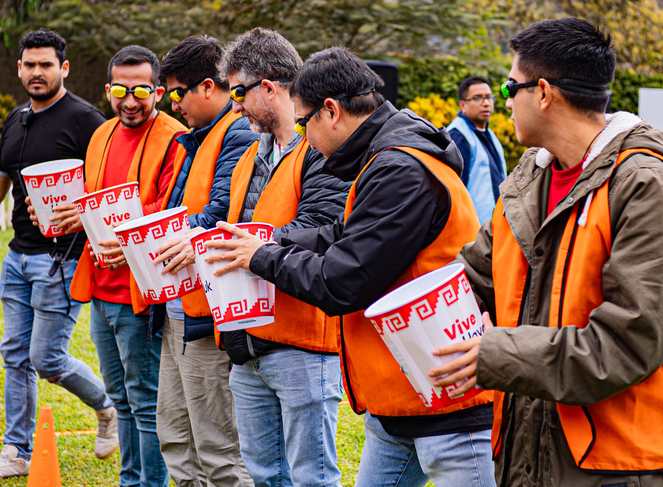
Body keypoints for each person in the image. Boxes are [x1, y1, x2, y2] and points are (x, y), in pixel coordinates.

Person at [429, 17, 663, 486]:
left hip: (630, 468)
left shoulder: (649, 186)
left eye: (509, 86)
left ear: (543, 93)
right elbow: (475, 274)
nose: (502, 101)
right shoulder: (530, 178)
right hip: (535, 455)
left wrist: (495, 353)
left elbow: (627, 342)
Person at [207, 46, 496, 487]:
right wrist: (269, 240)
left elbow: (344, 280)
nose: (304, 136)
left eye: (304, 123)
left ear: (332, 111)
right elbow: (343, 233)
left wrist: (263, 256)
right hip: (402, 391)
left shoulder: (399, 167)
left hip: (447, 397)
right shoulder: (386, 155)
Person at [165, 28, 349, 486]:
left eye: (240, 92)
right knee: (265, 475)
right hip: (246, 343)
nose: (235, 104)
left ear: (268, 86)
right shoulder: (250, 153)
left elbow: (319, 232)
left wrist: (239, 248)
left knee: (313, 478)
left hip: (303, 345)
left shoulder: (322, 148)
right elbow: (219, 223)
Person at [0, 29, 115, 482]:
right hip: (16, 259)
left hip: (63, 260)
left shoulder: (86, 120)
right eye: (30, 65)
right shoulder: (16, 121)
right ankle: (16, 452)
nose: (37, 72)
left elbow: (109, 189)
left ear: (63, 68)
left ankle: (107, 405)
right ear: (19, 68)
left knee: (46, 358)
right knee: (14, 353)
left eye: (46, 64)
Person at [57, 45, 183, 487]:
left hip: (140, 297)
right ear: (107, 88)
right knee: (122, 402)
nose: (130, 100)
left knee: (146, 405)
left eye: (142, 89)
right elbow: (93, 202)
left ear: (160, 91)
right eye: (120, 89)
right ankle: (131, 481)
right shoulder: (101, 134)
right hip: (100, 290)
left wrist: (113, 227)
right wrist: (69, 214)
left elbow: (170, 210)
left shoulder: (175, 137)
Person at [150, 36, 257, 487]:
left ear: (209, 87)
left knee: (217, 449)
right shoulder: (197, 140)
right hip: (180, 312)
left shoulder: (236, 134)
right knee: (175, 435)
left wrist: (152, 234)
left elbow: (219, 213)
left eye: (177, 93)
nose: (173, 105)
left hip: (208, 314)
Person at [447, 76, 507, 223]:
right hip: (474, 231)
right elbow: (454, 190)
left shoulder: (488, 133)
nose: (486, 103)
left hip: (494, 227)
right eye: (477, 98)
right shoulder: (457, 136)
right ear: (462, 105)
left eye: (488, 97)